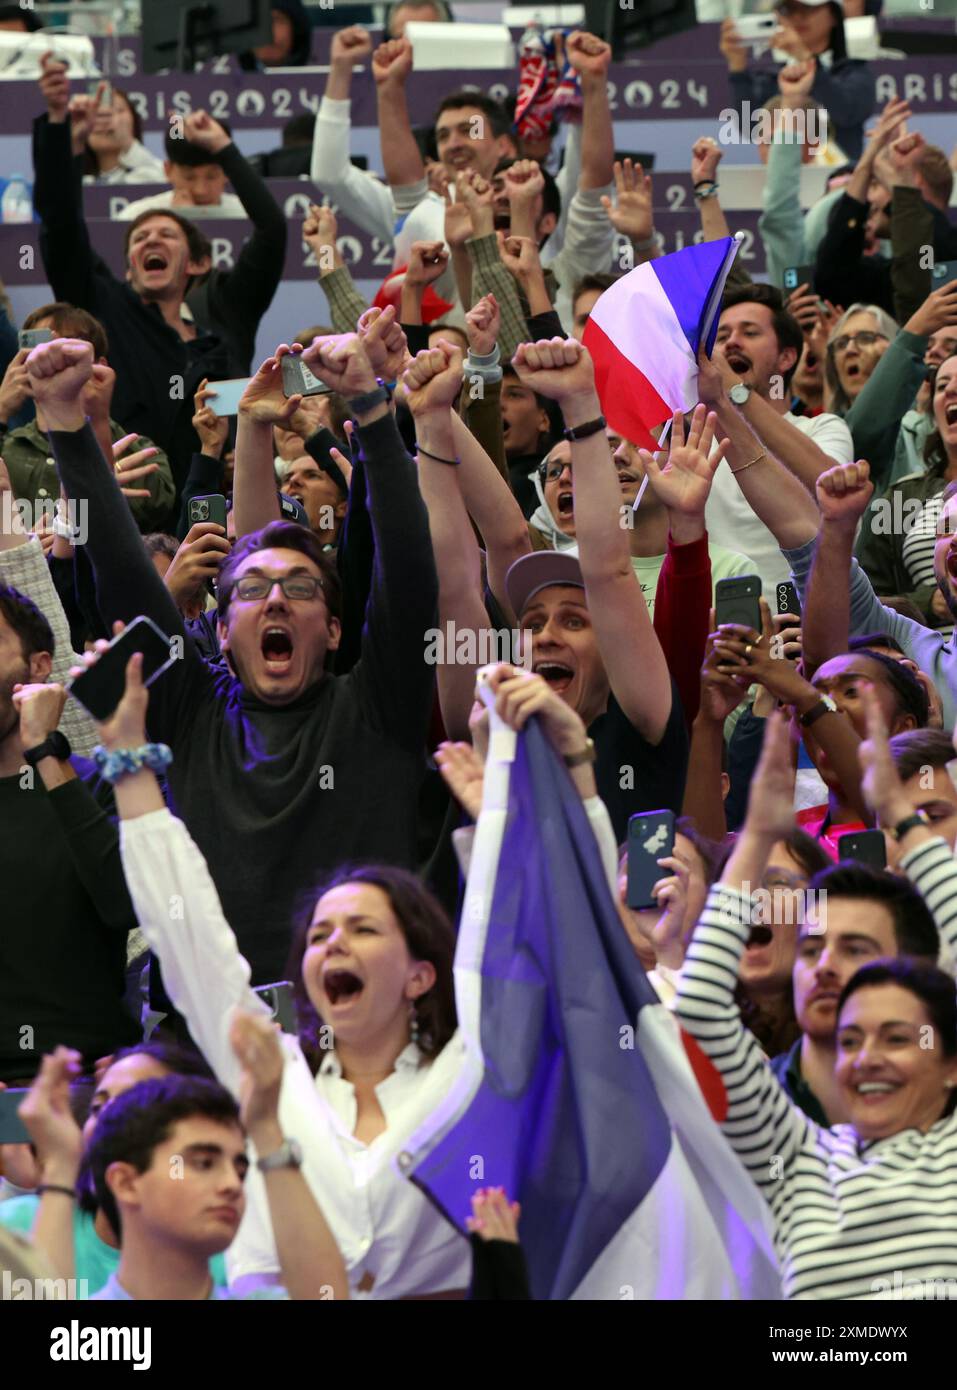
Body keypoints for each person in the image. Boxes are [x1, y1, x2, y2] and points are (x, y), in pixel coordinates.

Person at [33, 333, 437, 986]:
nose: (275, 599)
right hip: (217, 1043)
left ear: (334, 630)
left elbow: (411, 572)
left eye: (300, 588)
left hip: (366, 1024)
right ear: (219, 632)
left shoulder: (377, 706)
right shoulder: (191, 709)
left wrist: (369, 407)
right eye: (250, 590)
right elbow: (124, 576)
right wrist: (66, 427)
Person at [676, 696, 957, 1300]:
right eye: (811, 948)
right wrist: (754, 838)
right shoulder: (797, 1157)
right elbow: (698, 1010)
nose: (864, 1056)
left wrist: (904, 820)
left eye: (896, 1037)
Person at [32, 79, 286, 488]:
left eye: (167, 235)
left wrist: (225, 149)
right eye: (140, 238)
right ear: (130, 266)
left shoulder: (228, 315)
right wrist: (65, 139)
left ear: (196, 263)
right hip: (134, 502)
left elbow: (272, 231)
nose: (152, 239)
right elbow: (60, 227)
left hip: (220, 502)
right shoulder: (107, 310)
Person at [504, 338, 698, 841]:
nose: (544, 637)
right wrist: (433, 421)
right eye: (531, 623)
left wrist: (582, 407)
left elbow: (609, 571)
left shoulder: (642, 725)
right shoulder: (495, 746)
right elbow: (464, 579)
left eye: (573, 620)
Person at [0, 591, 140, 1082]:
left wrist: (44, 753)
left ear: (38, 667)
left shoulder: (101, 782)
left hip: (88, 1082)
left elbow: (125, 905)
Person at [0, 1042, 239, 1296]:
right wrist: (58, 1171)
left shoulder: (226, 1249)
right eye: (98, 1107)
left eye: (134, 1104)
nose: (107, 1119)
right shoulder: (17, 1224)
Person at [699, 282, 853, 594]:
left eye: (750, 333)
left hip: (808, 622)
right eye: (723, 336)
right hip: (720, 628)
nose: (731, 344)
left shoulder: (822, 427)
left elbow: (833, 489)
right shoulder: (698, 443)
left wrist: (735, 391)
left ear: (786, 358)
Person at [0, 302, 174, 533]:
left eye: (67, 350)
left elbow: (156, 505)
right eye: (42, 350)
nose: (52, 360)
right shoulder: (7, 450)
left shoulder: (137, 450)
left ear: (98, 366)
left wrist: (102, 471)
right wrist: (1, 409)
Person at [854, 353, 957, 631]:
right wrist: (927, 602)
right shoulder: (901, 498)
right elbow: (864, 601)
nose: (950, 390)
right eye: (942, 384)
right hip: (926, 663)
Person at [719, 1, 875, 161]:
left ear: (834, 15)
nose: (798, 17)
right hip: (784, 179)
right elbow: (750, 128)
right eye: (788, 9)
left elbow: (846, 112)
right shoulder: (773, 77)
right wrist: (737, 66)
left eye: (808, 8)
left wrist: (805, 57)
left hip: (841, 180)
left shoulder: (854, 72)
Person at [118, 119, 246, 222]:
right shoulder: (135, 217)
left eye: (211, 176)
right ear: (168, 171)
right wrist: (181, 217)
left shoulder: (248, 215)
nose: (200, 190)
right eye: (189, 177)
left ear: (227, 171)